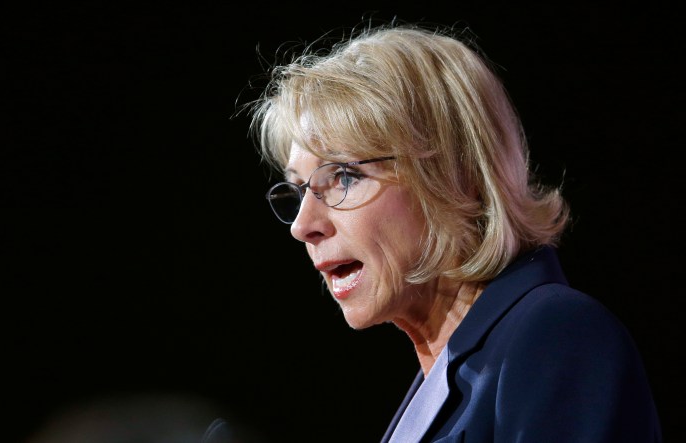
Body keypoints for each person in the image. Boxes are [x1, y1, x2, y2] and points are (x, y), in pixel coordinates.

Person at [241, 21, 662, 442]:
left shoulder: (557, 336)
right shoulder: (446, 373)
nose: (302, 226)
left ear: (452, 175)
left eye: (345, 177)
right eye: (299, 190)